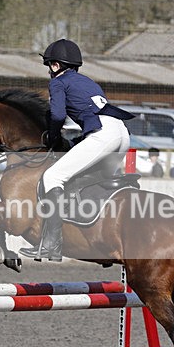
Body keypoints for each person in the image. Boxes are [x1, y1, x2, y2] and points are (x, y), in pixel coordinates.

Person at [18, 38, 133, 262]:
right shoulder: (86, 81)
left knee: (53, 176)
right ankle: (99, 238)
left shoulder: (58, 82)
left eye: (49, 66)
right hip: (121, 133)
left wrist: (52, 134)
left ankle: (51, 244)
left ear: (55, 65)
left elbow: (58, 115)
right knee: (90, 180)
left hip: (103, 134)